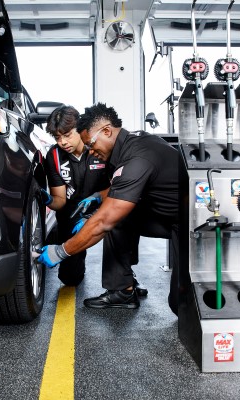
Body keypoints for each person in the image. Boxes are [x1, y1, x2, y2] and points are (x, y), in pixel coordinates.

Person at [37, 103, 180, 311]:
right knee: (117, 220)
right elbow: (120, 188)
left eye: (91, 145)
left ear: (106, 131)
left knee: (180, 305)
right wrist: (96, 197)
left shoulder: (135, 158)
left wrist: (61, 251)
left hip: (187, 226)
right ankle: (123, 289)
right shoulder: (133, 143)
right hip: (165, 215)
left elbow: (105, 218)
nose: (91, 151)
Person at [41, 105, 110, 286]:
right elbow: (60, 201)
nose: (63, 142)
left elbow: (120, 187)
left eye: (67, 135)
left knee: (122, 223)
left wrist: (94, 214)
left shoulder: (99, 147)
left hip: (106, 206)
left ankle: (125, 279)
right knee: (70, 279)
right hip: (71, 214)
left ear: (80, 129)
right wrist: (47, 200)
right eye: (58, 137)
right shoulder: (54, 155)